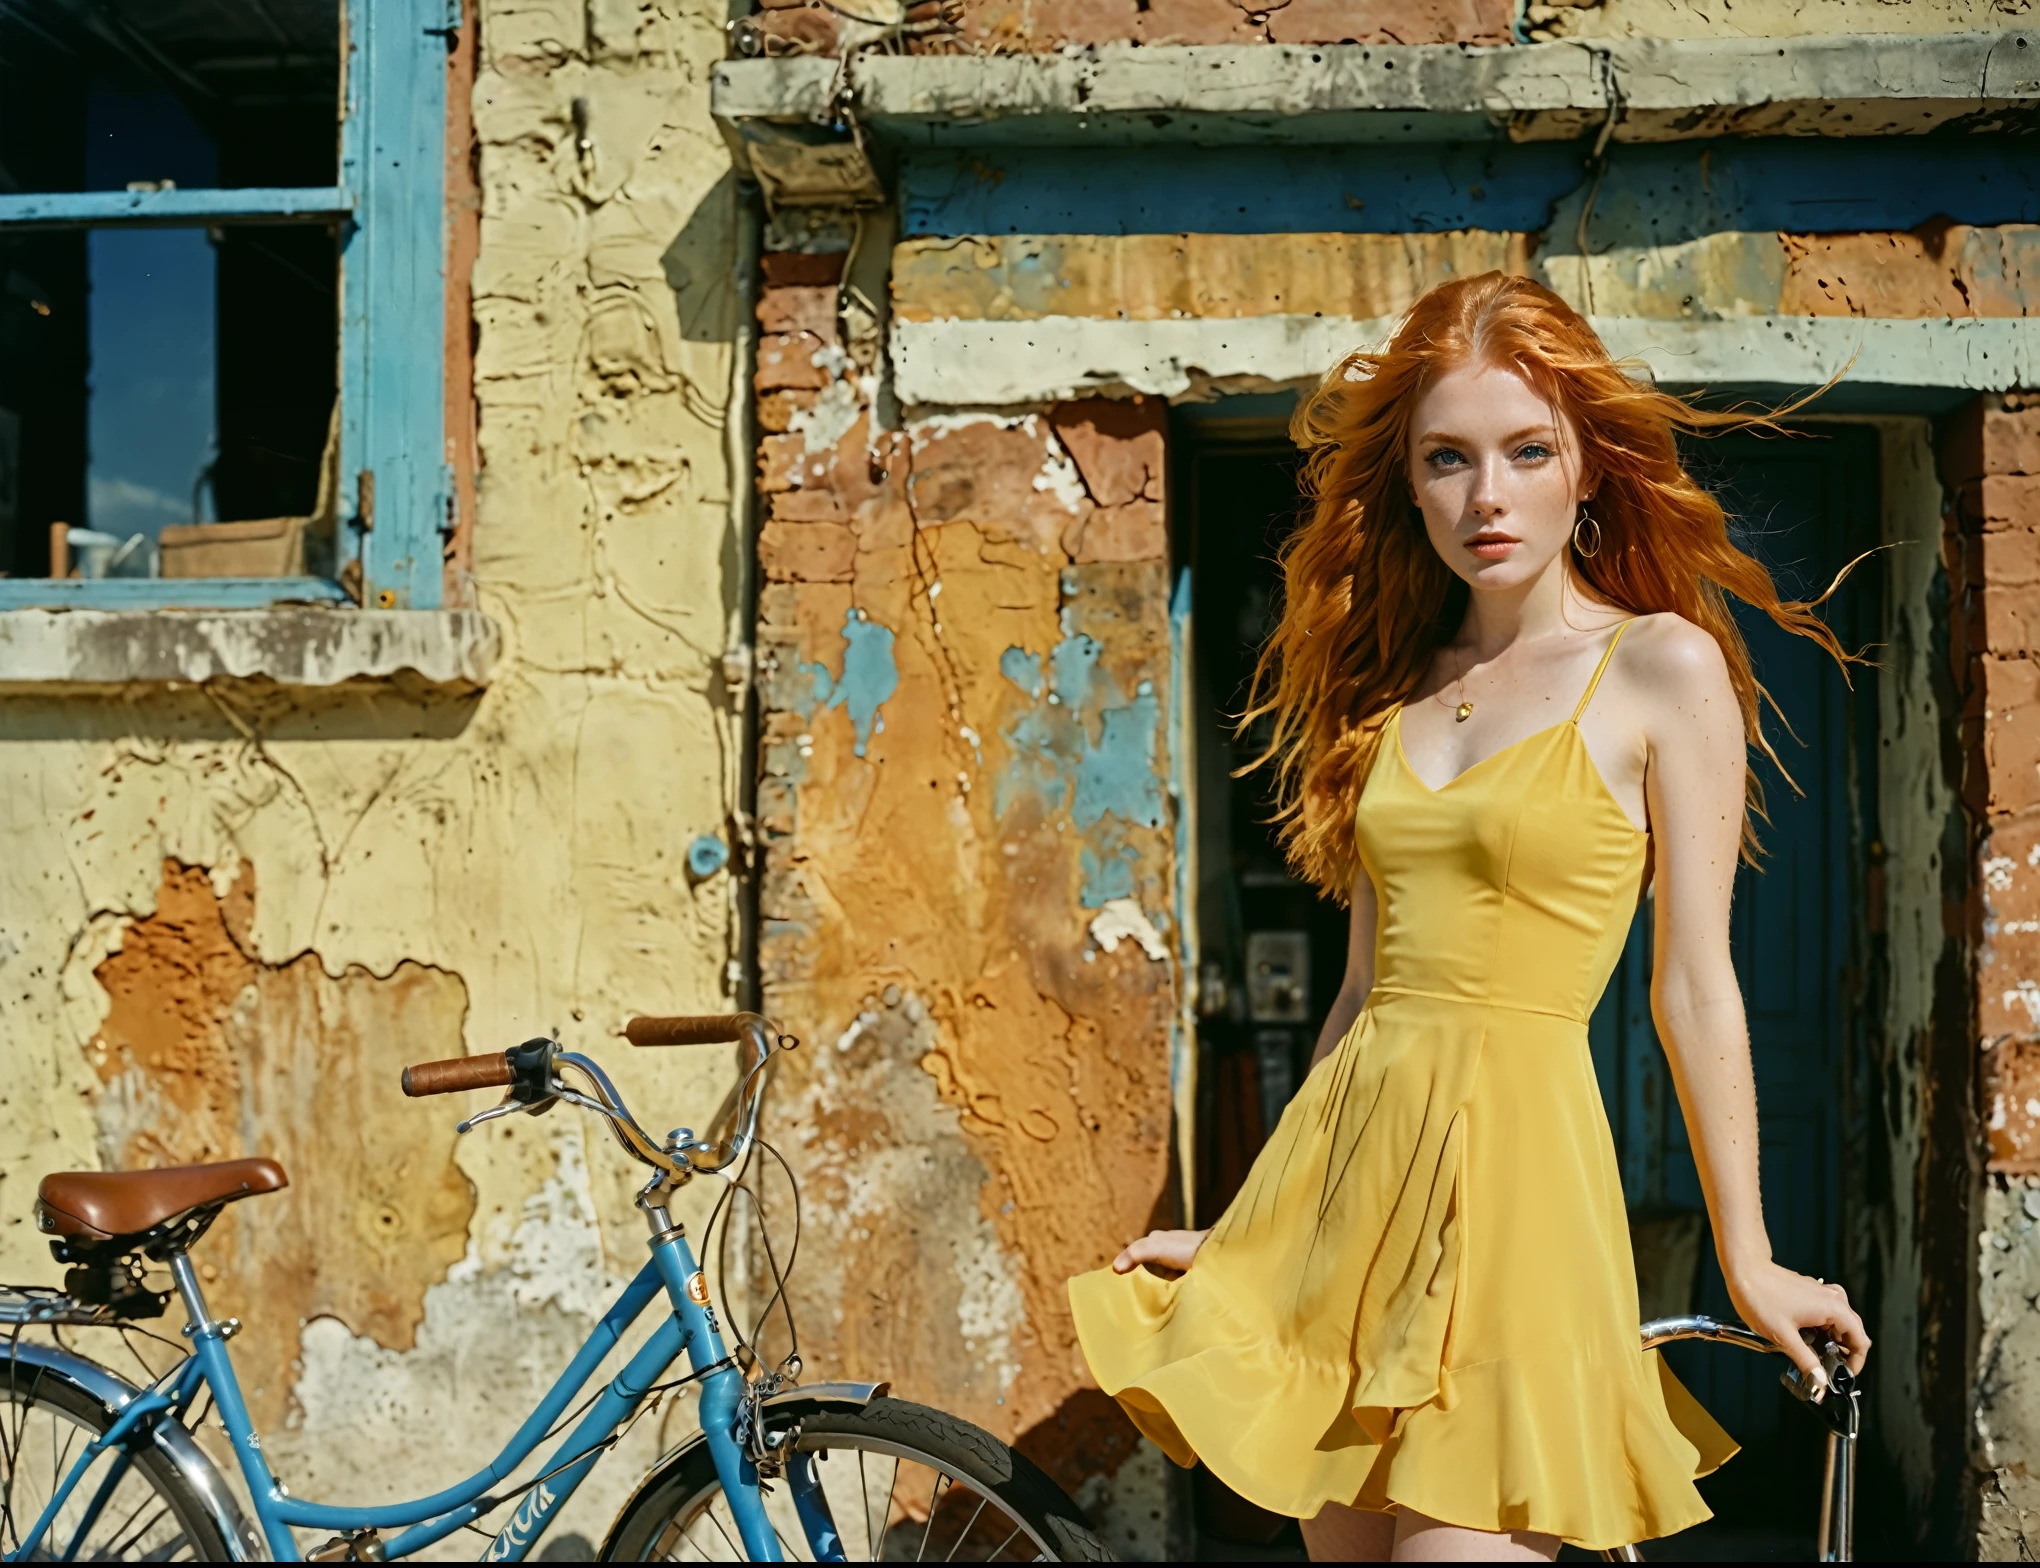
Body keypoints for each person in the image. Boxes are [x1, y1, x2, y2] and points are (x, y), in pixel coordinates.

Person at [1067, 272, 1872, 1562]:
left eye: (1526, 451)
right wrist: (1251, 1232)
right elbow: (1361, 997)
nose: (1485, 497)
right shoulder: (1387, 688)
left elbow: (1696, 985)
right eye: (1448, 459)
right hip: (1348, 1204)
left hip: (1520, 1195)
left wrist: (1750, 1254)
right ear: (1412, 481)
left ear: (1591, 468)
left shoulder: (1661, 667)